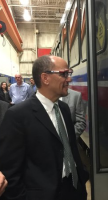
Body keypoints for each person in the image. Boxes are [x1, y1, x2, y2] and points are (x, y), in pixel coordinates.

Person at [0, 55, 89, 200]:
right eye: (64, 74)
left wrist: (81, 177)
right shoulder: (17, 116)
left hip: (73, 190)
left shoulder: (64, 109)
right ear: (45, 78)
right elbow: (10, 171)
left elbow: (71, 148)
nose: (69, 79)